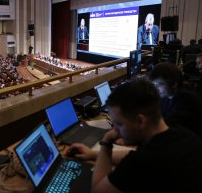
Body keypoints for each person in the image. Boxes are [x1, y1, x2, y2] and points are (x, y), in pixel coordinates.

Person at [67, 79, 202, 192]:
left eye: (119, 124)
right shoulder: (185, 136)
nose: (115, 130)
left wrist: (106, 143)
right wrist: (92, 154)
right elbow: (131, 155)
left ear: (140, 121)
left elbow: (98, 190)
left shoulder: (142, 163)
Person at [149, 62, 202, 137]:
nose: (156, 89)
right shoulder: (166, 97)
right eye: (154, 85)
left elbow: (167, 125)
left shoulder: (188, 100)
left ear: (174, 84)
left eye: (160, 84)